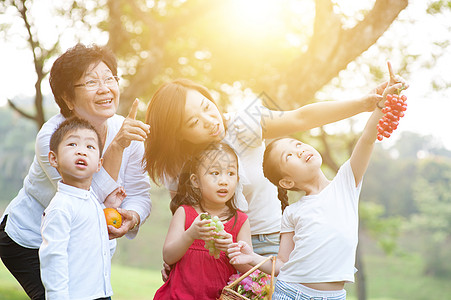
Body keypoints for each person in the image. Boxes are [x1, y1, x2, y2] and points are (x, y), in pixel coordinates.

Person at [144, 77, 389, 259]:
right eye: (194, 122)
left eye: (207, 107)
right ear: (178, 135)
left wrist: (364, 103)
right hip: (213, 253)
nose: (211, 121)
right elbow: (184, 217)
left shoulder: (243, 124)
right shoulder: (177, 165)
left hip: (268, 243)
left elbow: (301, 117)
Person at [227, 63, 407, 299]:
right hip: (289, 292)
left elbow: (366, 140)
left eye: (298, 144)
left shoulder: (345, 183)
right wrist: (252, 258)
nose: (299, 151)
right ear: (287, 183)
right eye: (288, 156)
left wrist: (381, 104)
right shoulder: (292, 213)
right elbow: (281, 264)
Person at [0, 43, 151, 299]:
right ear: (68, 98)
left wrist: (132, 217)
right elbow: (84, 200)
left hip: (83, 241)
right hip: (31, 239)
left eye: (109, 78)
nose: (104, 88)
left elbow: (140, 194)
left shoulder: (126, 131)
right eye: (91, 82)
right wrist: (116, 148)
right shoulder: (53, 138)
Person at [154, 142, 252, 299]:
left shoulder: (240, 221)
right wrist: (190, 235)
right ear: (195, 181)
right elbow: (168, 256)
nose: (224, 181)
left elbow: (248, 269)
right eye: (215, 173)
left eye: (231, 173)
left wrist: (230, 249)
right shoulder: (185, 213)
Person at [40, 117, 116, 300]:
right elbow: (53, 258)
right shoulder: (61, 207)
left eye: (90, 147)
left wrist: (110, 208)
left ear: (99, 164)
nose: (81, 151)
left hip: (101, 293)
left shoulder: (93, 202)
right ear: (53, 158)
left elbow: (103, 248)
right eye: (72, 144)